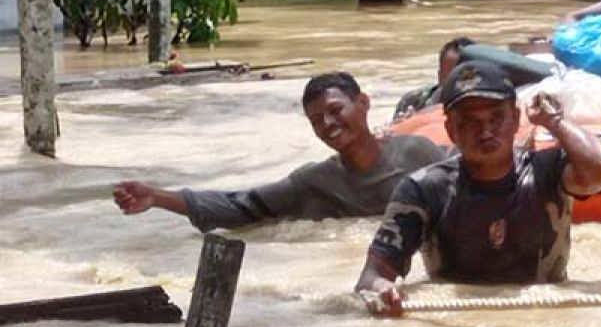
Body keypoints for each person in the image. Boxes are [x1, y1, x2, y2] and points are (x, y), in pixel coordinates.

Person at [355, 60, 601, 316]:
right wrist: (382, 290)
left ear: (516, 119)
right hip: (460, 319)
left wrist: (555, 121)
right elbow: (373, 275)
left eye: (496, 118)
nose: (485, 132)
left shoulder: (548, 171)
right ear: (450, 129)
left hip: (545, 310)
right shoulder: (423, 189)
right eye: (470, 122)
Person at [113, 72, 447, 231]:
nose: (328, 124)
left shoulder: (419, 152)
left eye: (335, 110)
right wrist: (157, 197)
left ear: (363, 104)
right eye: (316, 120)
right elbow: (242, 205)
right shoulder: (315, 181)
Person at [393, 37, 475, 120]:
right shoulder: (413, 101)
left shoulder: (485, 103)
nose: (458, 85)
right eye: (451, 78)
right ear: (439, 75)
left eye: (466, 77)